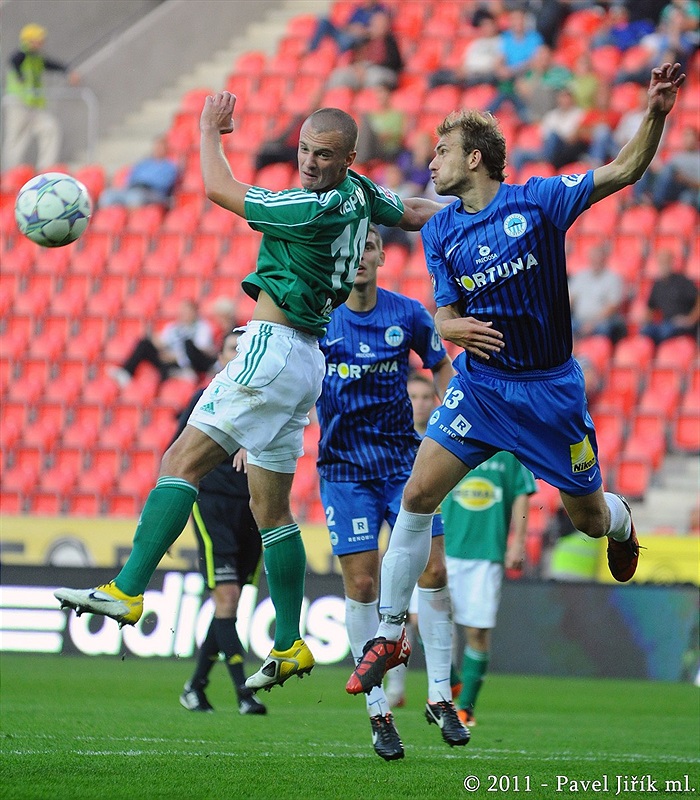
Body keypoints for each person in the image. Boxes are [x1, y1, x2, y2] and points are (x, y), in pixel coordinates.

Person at [54, 92, 443, 695]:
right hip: (307, 361)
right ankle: (288, 642)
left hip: (272, 346)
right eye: (305, 150)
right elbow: (413, 211)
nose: (311, 163)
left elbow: (218, 188)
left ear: (348, 158)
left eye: (324, 155)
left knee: (179, 463)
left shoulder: (308, 207)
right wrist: (471, 208)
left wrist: (210, 130)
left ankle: (127, 590)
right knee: (271, 511)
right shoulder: (363, 192)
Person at [346, 62, 686, 696]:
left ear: (475, 158)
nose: (432, 163)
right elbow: (443, 313)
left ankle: (622, 521)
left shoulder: (538, 201)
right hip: (480, 389)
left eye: (442, 151)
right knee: (417, 496)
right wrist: (450, 331)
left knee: (584, 516)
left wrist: (656, 115)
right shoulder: (442, 229)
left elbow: (624, 171)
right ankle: (389, 635)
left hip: (550, 392)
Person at [317, 225, 465, 760]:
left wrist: (452, 421)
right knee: (362, 584)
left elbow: (443, 366)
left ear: (381, 254)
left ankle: (441, 696)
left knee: (437, 571)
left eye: (368, 247)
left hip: (405, 463)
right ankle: (379, 712)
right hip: (344, 470)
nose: (358, 256)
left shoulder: (408, 315)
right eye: (349, 248)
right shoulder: (320, 316)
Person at [177, 331, 266, 716]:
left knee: (228, 604)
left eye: (246, 350)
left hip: (253, 507)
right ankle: (244, 693)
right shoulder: (206, 398)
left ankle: (195, 687)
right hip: (212, 503)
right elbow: (177, 453)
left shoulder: (267, 404)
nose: (239, 355)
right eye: (233, 349)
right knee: (227, 597)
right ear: (221, 356)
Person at [442, 452, 536, 727]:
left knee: (477, 632)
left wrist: (517, 542)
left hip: (485, 553)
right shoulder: (451, 435)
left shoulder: (510, 448)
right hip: (442, 547)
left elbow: (522, 492)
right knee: (420, 620)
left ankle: (466, 707)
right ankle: (452, 680)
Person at [2, 23, 79, 171]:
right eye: (38, 40)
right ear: (29, 40)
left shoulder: (37, 58)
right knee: (17, 139)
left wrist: (68, 71)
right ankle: (11, 173)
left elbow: (51, 64)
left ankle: (46, 169)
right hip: (18, 104)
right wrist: (19, 76)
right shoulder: (21, 55)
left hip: (34, 105)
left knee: (50, 128)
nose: (42, 43)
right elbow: (14, 61)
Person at [108, 298, 216, 386]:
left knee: (188, 346)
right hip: (167, 357)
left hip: (187, 361)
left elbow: (200, 350)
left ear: (195, 312)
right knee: (145, 343)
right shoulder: (174, 327)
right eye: (182, 311)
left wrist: (175, 356)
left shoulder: (202, 327)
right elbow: (162, 341)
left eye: (187, 311)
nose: (184, 314)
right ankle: (127, 372)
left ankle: (184, 374)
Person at [325, 10, 403, 91]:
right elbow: (354, 59)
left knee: (374, 77)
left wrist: (367, 68)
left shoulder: (391, 42)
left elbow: (395, 63)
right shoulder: (364, 40)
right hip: (361, 70)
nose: (378, 26)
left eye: (381, 24)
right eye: (376, 23)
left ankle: (372, 101)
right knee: (339, 75)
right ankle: (336, 101)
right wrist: (357, 68)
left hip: (380, 71)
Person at [569, 243, 627, 343]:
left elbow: (612, 306)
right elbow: (570, 299)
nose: (596, 261)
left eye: (598, 258)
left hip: (602, 321)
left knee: (603, 329)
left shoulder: (613, 278)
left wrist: (592, 323)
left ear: (604, 259)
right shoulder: (580, 276)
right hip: (580, 319)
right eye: (593, 258)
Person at [99, 137, 180, 209]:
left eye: (160, 147)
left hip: (152, 193)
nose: (158, 149)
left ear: (166, 149)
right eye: (156, 146)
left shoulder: (169, 167)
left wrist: (145, 181)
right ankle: (106, 222)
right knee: (108, 195)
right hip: (133, 188)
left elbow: (163, 184)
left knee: (135, 197)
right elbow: (132, 177)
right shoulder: (144, 163)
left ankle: (132, 224)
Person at [640, 248, 700, 344]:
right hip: (665, 324)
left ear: (672, 262)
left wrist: (691, 319)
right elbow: (650, 307)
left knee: (666, 331)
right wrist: (645, 320)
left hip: (681, 324)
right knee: (645, 331)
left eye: (666, 261)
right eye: (661, 262)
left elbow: (698, 299)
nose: (663, 265)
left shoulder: (682, 281)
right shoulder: (657, 285)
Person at [306, 1, 390, 54]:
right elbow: (346, 25)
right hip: (347, 32)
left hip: (360, 37)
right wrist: (352, 28)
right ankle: (311, 49)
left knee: (348, 40)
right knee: (324, 19)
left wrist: (363, 30)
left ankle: (338, 55)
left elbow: (379, 30)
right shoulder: (359, 9)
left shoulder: (380, 10)